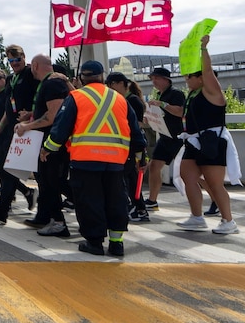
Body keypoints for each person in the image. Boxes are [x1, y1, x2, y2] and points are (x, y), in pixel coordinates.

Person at [45, 60, 147, 256]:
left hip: (86, 160)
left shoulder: (76, 97)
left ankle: (95, 242)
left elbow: (60, 130)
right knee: (116, 200)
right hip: (116, 161)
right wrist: (140, 158)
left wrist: (48, 149)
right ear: (102, 77)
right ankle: (117, 243)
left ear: (82, 78)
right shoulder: (119, 99)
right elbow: (136, 133)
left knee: (90, 201)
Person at [173, 36, 242, 234]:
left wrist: (202, 49)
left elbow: (208, 70)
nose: (186, 79)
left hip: (212, 140)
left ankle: (228, 220)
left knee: (214, 183)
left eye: (189, 76)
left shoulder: (212, 91)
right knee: (187, 176)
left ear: (201, 78)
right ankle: (197, 217)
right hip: (193, 140)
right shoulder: (192, 94)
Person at [0, 48, 39, 225]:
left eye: (17, 59)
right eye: (11, 61)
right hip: (11, 128)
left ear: (24, 58)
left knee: (9, 168)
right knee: (2, 166)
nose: (15, 64)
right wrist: (1, 125)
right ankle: (21, 198)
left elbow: (43, 98)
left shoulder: (30, 74)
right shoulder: (12, 79)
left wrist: (31, 113)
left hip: (27, 129)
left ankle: (3, 209)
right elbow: (9, 106)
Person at [14, 54, 73, 237]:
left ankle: (59, 222)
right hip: (53, 143)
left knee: (51, 184)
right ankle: (51, 218)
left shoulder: (51, 84)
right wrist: (31, 114)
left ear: (36, 66)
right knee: (49, 183)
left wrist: (27, 126)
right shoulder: (53, 83)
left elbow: (54, 115)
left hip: (51, 145)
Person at [106, 72, 150, 223]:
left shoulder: (131, 101)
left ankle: (136, 207)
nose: (109, 88)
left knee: (129, 178)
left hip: (132, 145)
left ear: (119, 84)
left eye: (111, 84)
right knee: (130, 177)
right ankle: (138, 208)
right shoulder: (127, 100)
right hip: (129, 145)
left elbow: (135, 126)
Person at [143, 66, 185, 211]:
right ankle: (152, 200)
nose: (153, 81)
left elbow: (180, 112)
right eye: (152, 78)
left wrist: (163, 105)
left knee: (189, 172)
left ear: (166, 80)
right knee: (154, 166)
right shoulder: (160, 95)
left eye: (156, 78)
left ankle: (215, 199)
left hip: (177, 138)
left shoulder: (176, 93)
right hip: (165, 137)